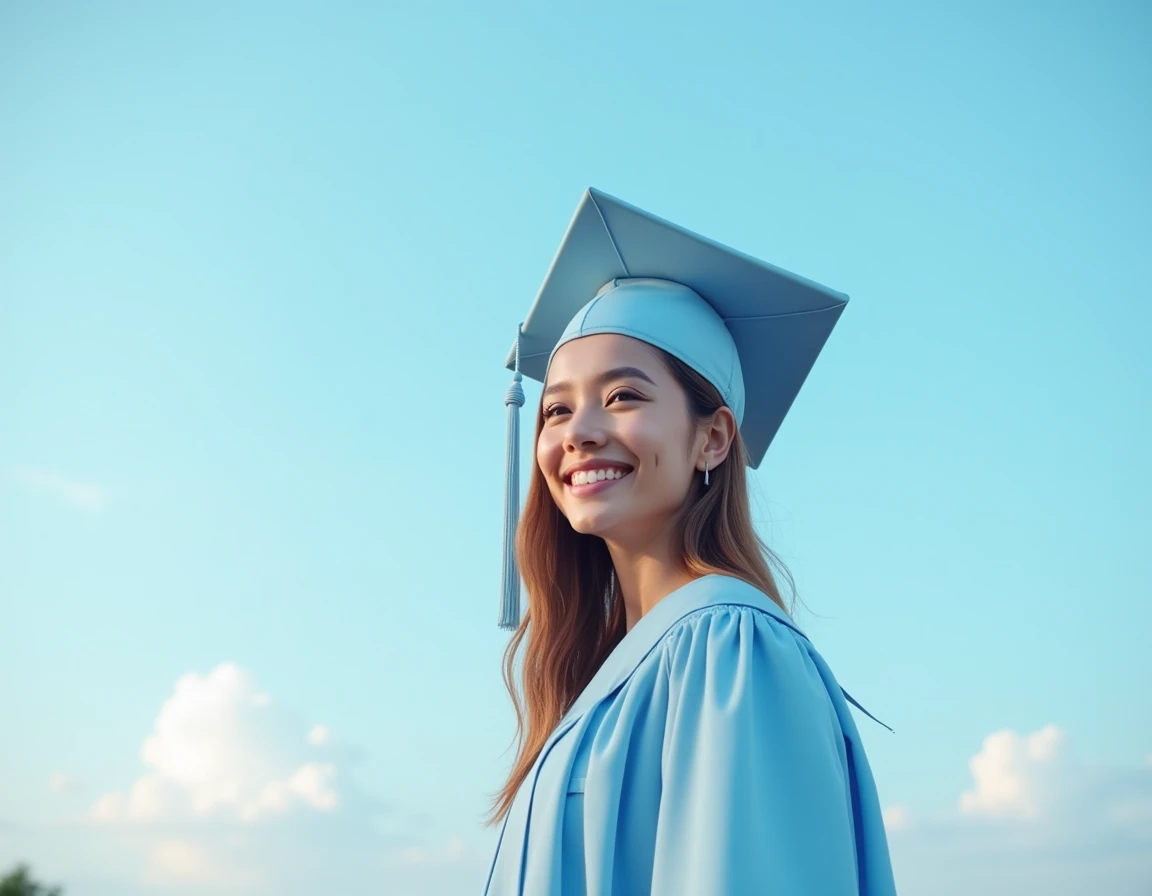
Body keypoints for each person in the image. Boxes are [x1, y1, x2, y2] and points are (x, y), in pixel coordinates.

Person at [484, 188, 897, 895]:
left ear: (712, 437)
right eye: (557, 408)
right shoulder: (611, 673)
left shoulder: (731, 650)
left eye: (623, 396)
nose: (578, 430)